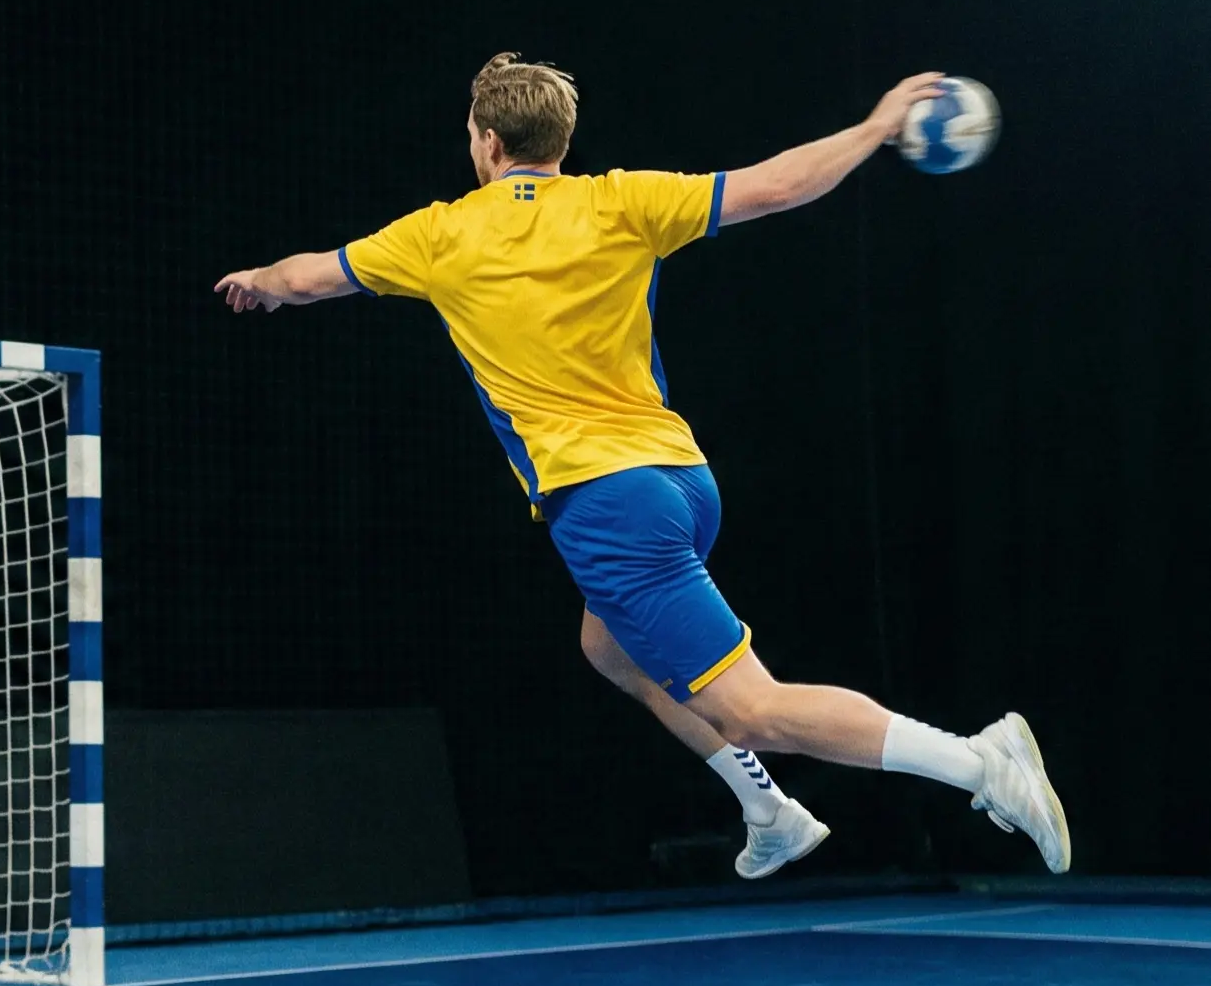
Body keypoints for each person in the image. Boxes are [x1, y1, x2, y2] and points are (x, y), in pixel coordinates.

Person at [214, 53, 1068, 877]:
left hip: (602, 502)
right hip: (681, 483)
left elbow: (313, 278)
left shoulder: (440, 234)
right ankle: (770, 812)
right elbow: (777, 184)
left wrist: (259, 279)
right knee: (608, 647)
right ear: (559, 140)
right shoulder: (620, 201)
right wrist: (876, 127)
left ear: (484, 141)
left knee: (753, 709)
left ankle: (979, 764)